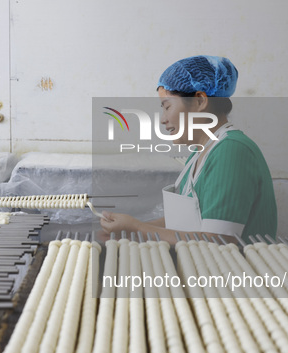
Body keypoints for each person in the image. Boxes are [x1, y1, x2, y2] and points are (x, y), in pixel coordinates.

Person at [100, 55, 277, 244]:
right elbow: (184, 222)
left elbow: (219, 241)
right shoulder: (201, 153)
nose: (163, 119)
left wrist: (137, 228)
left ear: (200, 101)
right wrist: (128, 233)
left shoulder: (232, 150)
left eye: (167, 106)